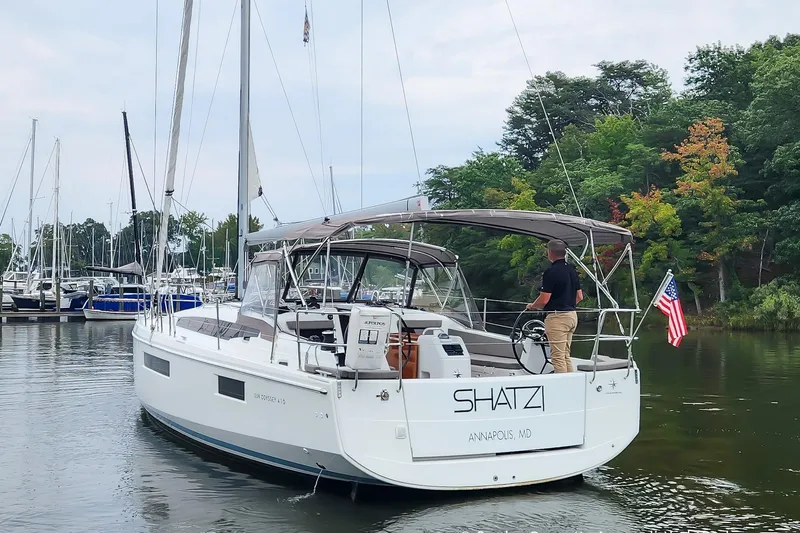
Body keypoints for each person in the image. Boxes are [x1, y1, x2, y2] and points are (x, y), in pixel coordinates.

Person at [526, 239, 583, 373]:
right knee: (565, 355)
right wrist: (567, 304)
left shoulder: (551, 272)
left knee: (557, 357)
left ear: (550, 253)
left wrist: (532, 306)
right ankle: (573, 385)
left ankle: (564, 389)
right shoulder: (572, 270)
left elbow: (544, 299)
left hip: (557, 318)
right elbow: (580, 297)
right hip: (572, 316)